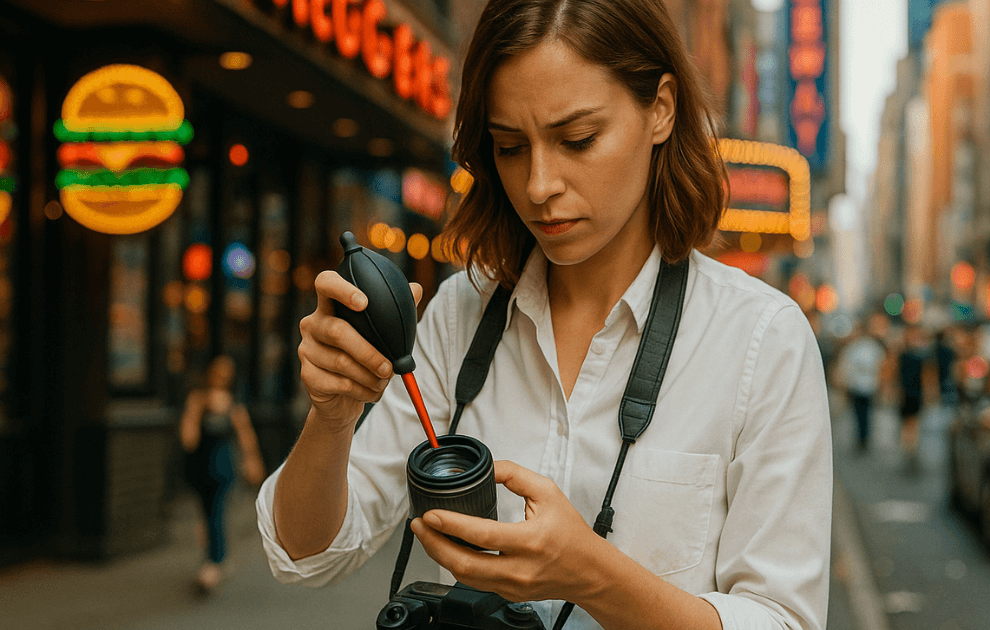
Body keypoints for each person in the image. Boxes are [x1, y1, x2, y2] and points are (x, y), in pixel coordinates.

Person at [256, 1, 833, 628]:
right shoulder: (459, 316)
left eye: (577, 140)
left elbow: (784, 620)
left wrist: (592, 575)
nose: (537, 185)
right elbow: (306, 555)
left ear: (661, 108)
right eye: (509, 147)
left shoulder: (761, 340)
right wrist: (332, 417)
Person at [180, 355, 265, 592]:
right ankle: (219, 557)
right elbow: (188, 439)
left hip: (222, 467)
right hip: (199, 468)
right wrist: (196, 412)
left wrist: (252, 460)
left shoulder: (234, 405)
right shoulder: (198, 399)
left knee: (215, 514)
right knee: (207, 514)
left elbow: (246, 435)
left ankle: (212, 565)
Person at [836, 314, 888, 453]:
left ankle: (862, 439)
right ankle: (863, 438)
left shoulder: (858, 347)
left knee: (861, 415)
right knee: (863, 415)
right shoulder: (868, 347)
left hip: (863, 386)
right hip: (864, 386)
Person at [896, 325, 928, 475]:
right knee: (911, 425)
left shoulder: (905, 355)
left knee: (909, 425)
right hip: (911, 395)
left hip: (911, 395)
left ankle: (909, 449)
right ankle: (910, 449)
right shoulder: (917, 355)